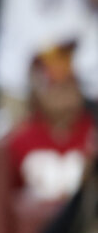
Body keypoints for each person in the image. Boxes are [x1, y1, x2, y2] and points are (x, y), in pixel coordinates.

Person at [7, 43, 94, 201]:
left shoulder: (92, 134)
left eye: (70, 85)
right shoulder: (20, 138)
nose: (65, 95)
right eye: (57, 87)